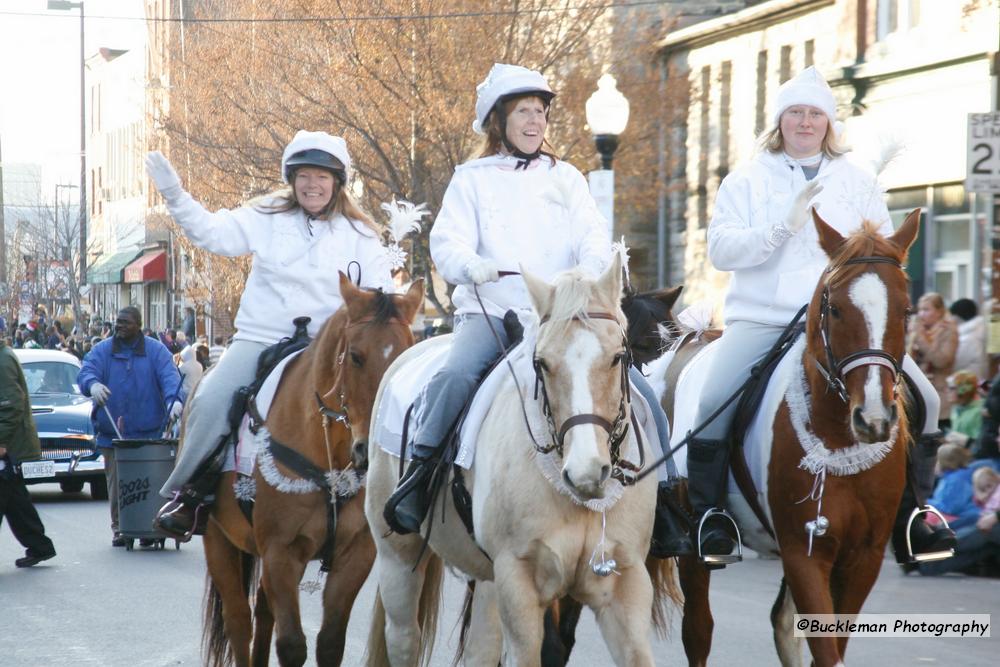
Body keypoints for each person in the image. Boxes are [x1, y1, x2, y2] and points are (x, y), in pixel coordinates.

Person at [383, 63, 679, 547]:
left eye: (540, 112)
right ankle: (417, 482)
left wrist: (588, 271)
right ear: (499, 120)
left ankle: (666, 500)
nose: (535, 121)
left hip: (565, 317)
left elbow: (593, 237)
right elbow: (447, 241)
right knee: (455, 376)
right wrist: (468, 265)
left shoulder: (567, 177)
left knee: (641, 393)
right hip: (495, 312)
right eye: (524, 111)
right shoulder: (471, 178)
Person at [687, 66, 952, 563]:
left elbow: (883, 256)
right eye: (796, 113)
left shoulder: (859, 181)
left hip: (842, 326)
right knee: (711, 407)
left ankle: (915, 515)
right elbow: (721, 251)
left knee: (930, 399)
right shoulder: (745, 179)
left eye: (815, 114)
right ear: (779, 121)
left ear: (829, 124)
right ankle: (709, 518)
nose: (805, 123)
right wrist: (780, 227)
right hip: (764, 318)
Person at [145, 130, 394, 540]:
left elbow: (377, 295)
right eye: (304, 176)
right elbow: (211, 233)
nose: (312, 185)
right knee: (210, 400)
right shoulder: (266, 216)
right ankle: (191, 493)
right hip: (262, 340)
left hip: (330, 349)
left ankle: (396, 490)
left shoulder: (363, 235)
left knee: (383, 399)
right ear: (292, 180)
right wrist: (174, 193)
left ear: (337, 183)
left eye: (322, 177)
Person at [77, 306, 183, 546]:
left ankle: (149, 525)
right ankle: (121, 527)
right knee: (118, 485)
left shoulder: (156, 352)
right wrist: (92, 384)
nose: (119, 326)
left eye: (125, 322)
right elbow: (86, 371)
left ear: (139, 325)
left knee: (151, 483)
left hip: (150, 434)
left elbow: (170, 378)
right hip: (113, 433)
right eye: (118, 322)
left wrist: (174, 401)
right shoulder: (103, 351)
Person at [0, 337, 57, 568]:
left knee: (8, 493)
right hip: (9, 446)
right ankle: (40, 546)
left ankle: (40, 545)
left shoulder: (2, 361)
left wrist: (1, 440)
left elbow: (10, 404)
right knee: (15, 500)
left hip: (8, 446)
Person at [908, 292, 959, 429]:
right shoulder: (919, 330)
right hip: (919, 393)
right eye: (920, 310)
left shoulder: (948, 330)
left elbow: (941, 361)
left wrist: (919, 337)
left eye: (926, 310)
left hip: (939, 393)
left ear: (939, 311)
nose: (921, 315)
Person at [949, 298, 988, 381]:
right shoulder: (978, 330)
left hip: (968, 385)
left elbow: (952, 363)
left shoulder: (967, 338)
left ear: (957, 317)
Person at [944, 370, 983, 447]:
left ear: (964, 390)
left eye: (952, 388)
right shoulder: (956, 407)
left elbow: (980, 443)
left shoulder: (979, 411)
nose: (946, 391)